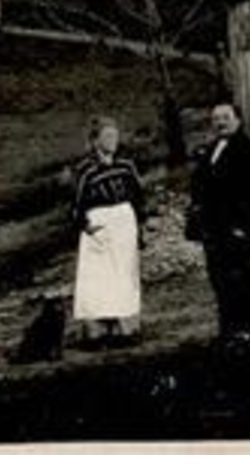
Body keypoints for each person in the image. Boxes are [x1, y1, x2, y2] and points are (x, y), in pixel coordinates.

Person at [187, 102, 250, 342]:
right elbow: (200, 184)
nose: (221, 122)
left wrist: (242, 226)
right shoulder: (211, 149)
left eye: (226, 117)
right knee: (219, 278)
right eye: (216, 118)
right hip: (213, 228)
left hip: (235, 227)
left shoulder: (247, 150)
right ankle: (227, 328)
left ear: (238, 120)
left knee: (238, 277)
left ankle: (244, 329)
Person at [71, 116, 146, 346]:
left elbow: (138, 196)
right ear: (95, 141)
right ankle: (98, 332)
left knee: (124, 276)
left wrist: (140, 225)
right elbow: (76, 203)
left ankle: (126, 330)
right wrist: (85, 225)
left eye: (115, 136)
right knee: (98, 279)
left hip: (123, 224)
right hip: (99, 226)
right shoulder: (85, 170)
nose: (112, 141)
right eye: (107, 137)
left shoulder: (126, 165)